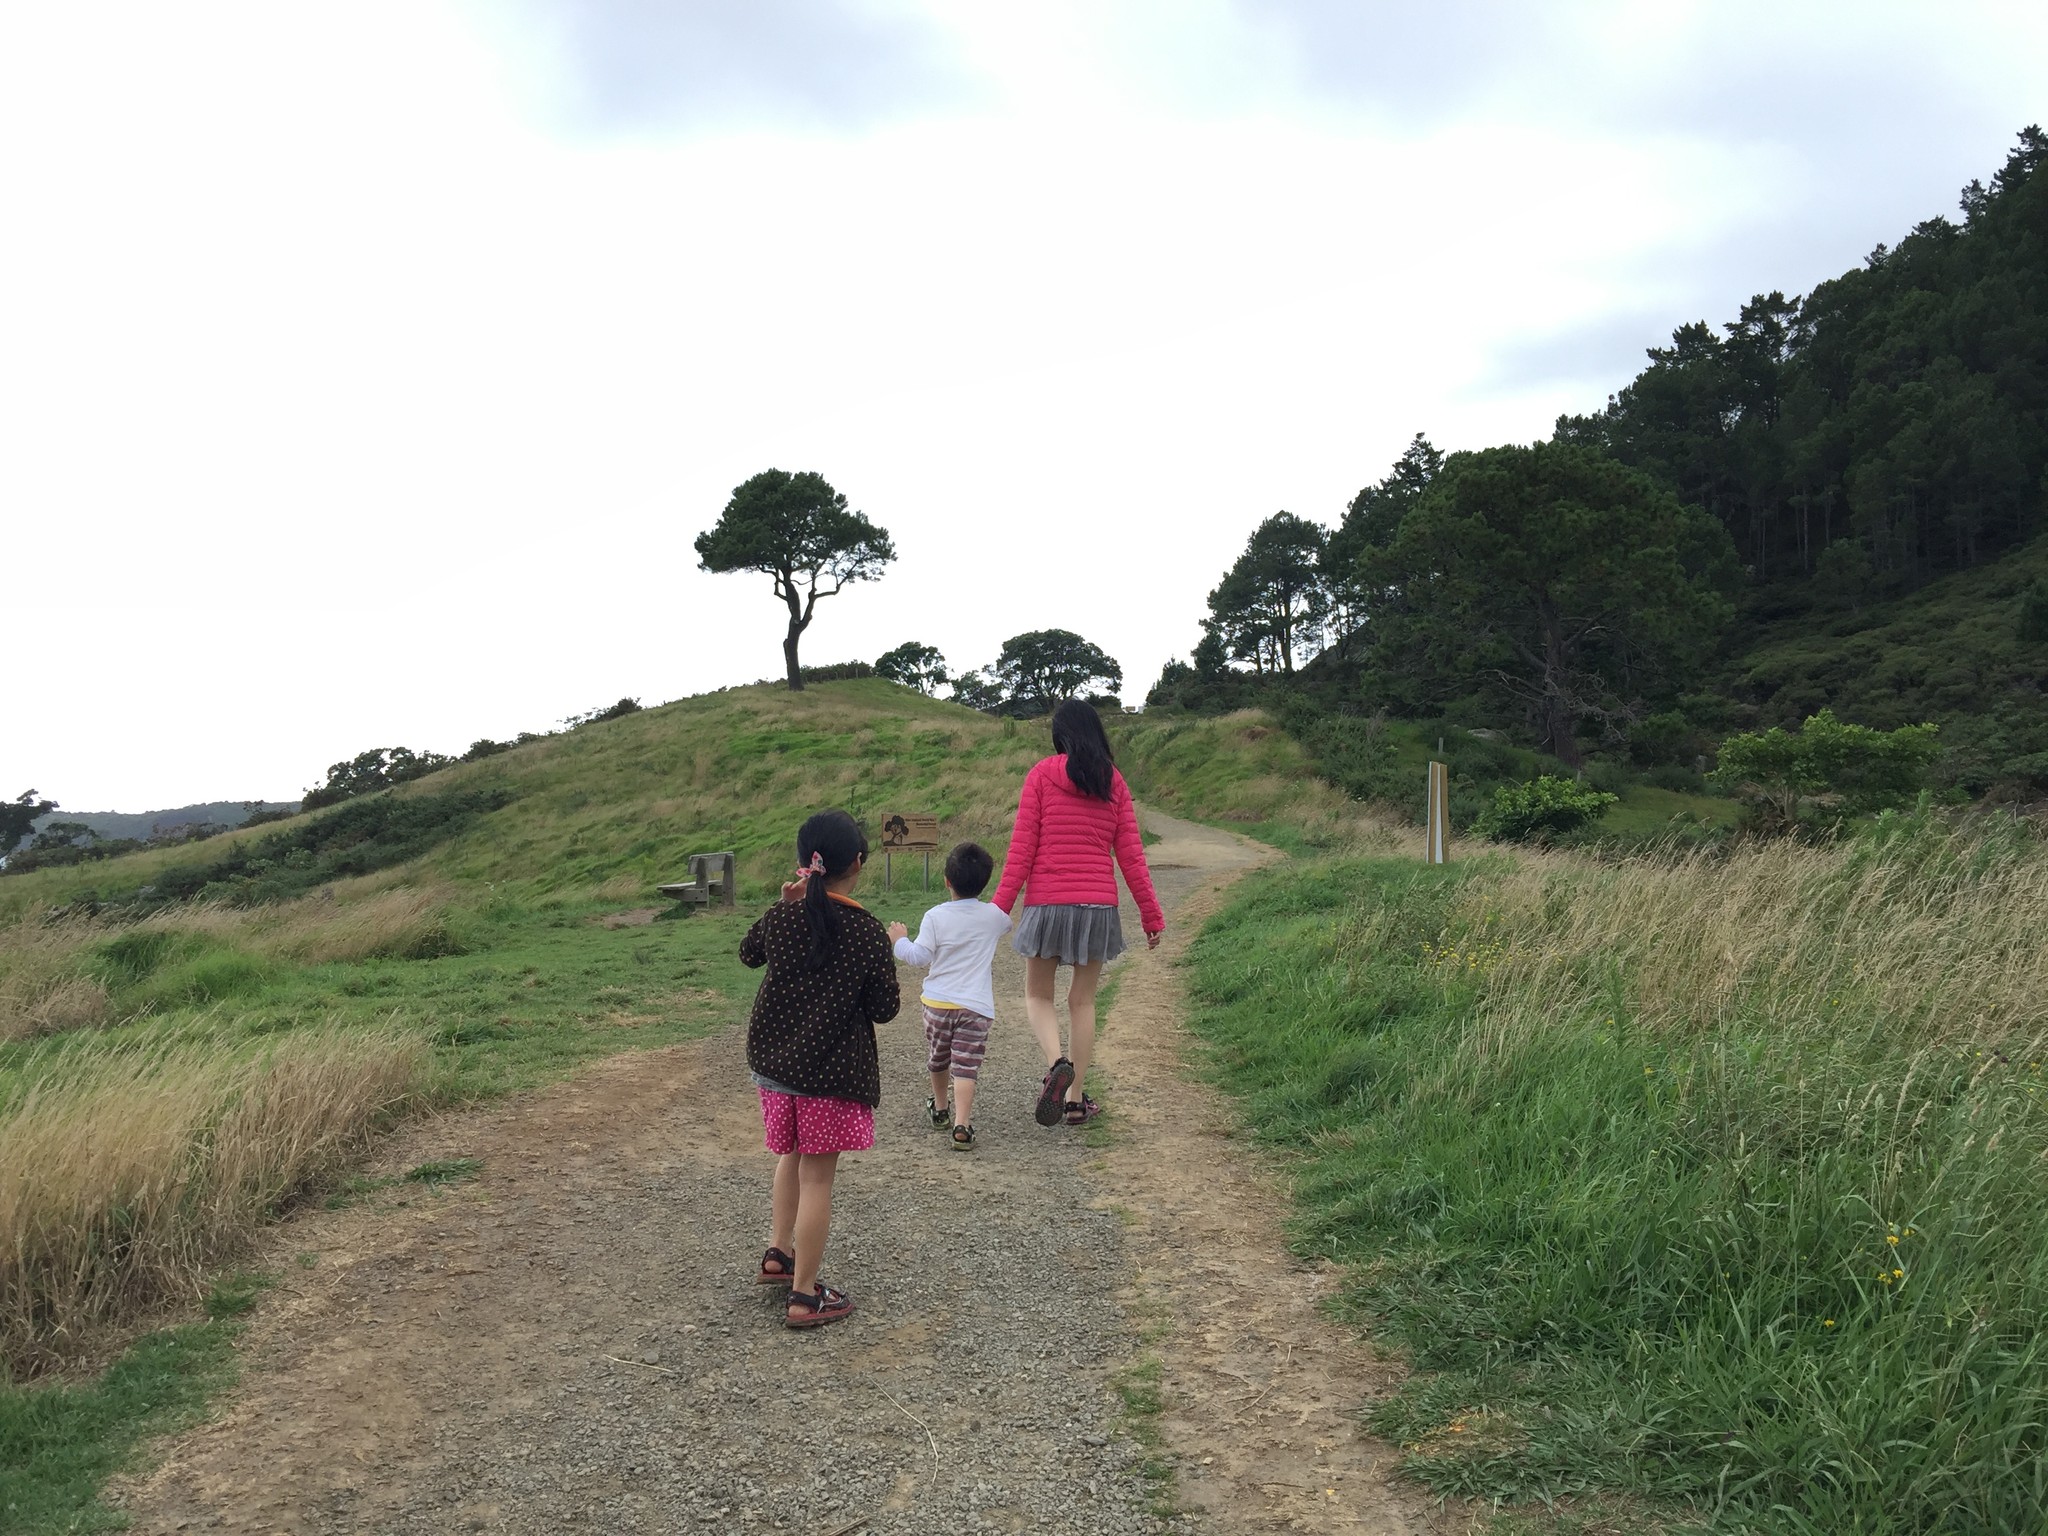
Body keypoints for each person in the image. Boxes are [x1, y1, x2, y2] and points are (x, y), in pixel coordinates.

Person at [740, 809, 899, 1328]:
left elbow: (748, 954)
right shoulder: (867, 931)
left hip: (775, 1067)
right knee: (817, 1179)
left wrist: (780, 905)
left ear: (804, 862)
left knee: (789, 1156)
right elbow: (884, 1008)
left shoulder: (784, 917)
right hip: (829, 1074)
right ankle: (805, 1295)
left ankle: (778, 1253)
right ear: (857, 863)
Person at [991, 699, 1164, 1127]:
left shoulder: (1041, 775)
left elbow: (1021, 851)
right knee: (1082, 1001)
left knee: (1038, 995)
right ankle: (1074, 1100)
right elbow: (1132, 857)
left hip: (1048, 902)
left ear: (1060, 735)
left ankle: (1057, 1064)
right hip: (1098, 906)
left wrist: (998, 910)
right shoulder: (1113, 781)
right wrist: (1151, 916)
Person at [886, 841, 1011, 1152]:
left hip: (938, 1004)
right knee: (966, 1066)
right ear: (985, 882)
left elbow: (918, 957)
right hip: (976, 1008)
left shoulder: (935, 916)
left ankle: (940, 1108)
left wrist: (899, 940)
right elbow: (1006, 921)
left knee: (939, 1058)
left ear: (946, 881)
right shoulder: (994, 917)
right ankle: (962, 1125)